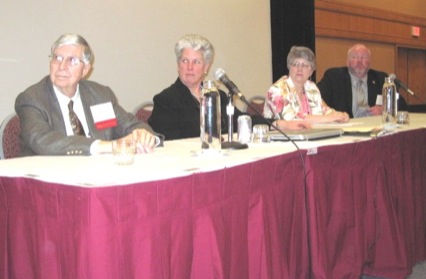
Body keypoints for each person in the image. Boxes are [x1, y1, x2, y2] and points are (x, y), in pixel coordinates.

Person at [15, 34, 162, 156]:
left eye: (71, 60)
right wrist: (107, 146)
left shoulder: (100, 96)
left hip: (98, 176)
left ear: (85, 70)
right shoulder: (32, 99)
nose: (62, 66)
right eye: (57, 58)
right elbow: (42, 141)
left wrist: (145, 137)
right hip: (47, 183)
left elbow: (132, 126)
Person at [148, 34, 309, 141]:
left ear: (206, 67)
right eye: (185, 61)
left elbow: (242, 121)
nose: (190, 67)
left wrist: (280, 124)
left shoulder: (219, 96)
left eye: (196, 62)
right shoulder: (165, 100)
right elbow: (171, 142)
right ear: (178, 65)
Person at [264, 46, 349, 125]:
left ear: (311, 71)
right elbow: (293, 120)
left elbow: (325, 110)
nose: (300, 69)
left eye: (305, 65)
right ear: (289, 67)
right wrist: (330, 118)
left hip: (309, 136)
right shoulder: (277, 90)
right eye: (296, 64)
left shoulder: (311, 87)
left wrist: (340, 115)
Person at [317, 43, 407, 118]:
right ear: (347, 62)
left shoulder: (380, 78)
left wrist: (384, 108)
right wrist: (332, 114)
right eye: (354, 57)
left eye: (364, 57)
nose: (359, 61)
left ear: (370, 62)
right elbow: (317, 99)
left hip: (374, 127)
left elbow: (401, 103)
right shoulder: (334, 77)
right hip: (346, 127)